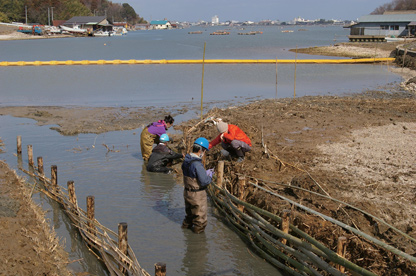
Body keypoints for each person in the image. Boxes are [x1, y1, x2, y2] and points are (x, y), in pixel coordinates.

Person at [181, 137, 214, 234]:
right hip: (197, 195)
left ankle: (185, 233)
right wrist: (209, 175)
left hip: (187, 193)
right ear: (201, 150)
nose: (203, 154)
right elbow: (204, 182)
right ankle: (197, 244)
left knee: (189, 217)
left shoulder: (186, 160)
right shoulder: (197, 165)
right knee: (200, 222)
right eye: (204, 151)